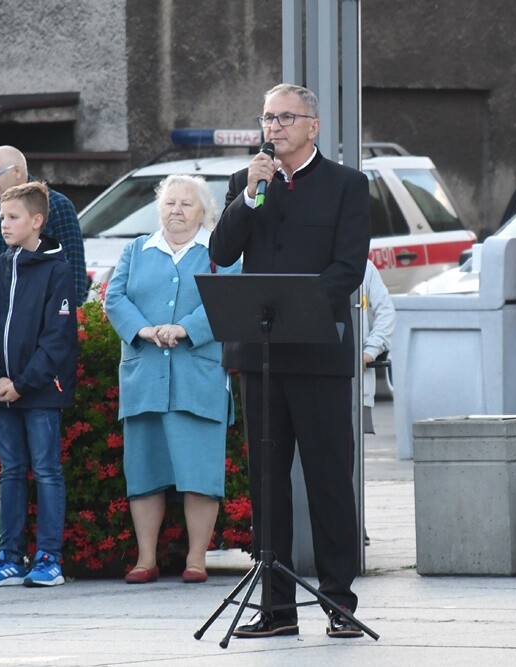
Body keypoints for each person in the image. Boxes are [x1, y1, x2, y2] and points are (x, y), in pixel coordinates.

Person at [209, 83, 371, 639]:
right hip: (261, 357)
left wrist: (297, 306)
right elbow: (222, 252)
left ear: (312, 126)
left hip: (319, 354)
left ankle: (340, 602)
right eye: (267, 118)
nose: (273, 127)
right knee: (267, 483)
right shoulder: (246, 182)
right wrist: (251, 195)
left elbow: (347, 269)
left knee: (329, 480)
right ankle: (276, 609)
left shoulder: (347, 185)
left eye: (285, 118)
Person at [105, 175, 241, 585]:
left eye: (186, 204)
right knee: (144, 471)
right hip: (144, 377)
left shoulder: (220, 253)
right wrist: (144, 330)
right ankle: (146, 559)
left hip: (198, 379)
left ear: (204, 212)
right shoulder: (136, 250)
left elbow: (229, 297)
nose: (176, 210)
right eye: (169, 203)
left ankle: (196, 559)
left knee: (200, 473)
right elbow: (115, 298)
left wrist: (184, 329)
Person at [0, 182, 78, 588]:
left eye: (12, 217)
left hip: (40, 393)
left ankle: (49, 558)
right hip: (0, 393)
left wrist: (23, 383)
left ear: (36, 221)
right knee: (11, 471)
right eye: (1, 217)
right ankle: (9, 558)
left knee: (46, 470)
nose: (4, 224)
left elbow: (57, 338)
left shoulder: (57, 270)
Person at [0, 146, 87, 304]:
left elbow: (74, 267)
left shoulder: (57, 205)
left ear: (17, 171)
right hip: (1, 307)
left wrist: (70, 311)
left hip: (46, 306)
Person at [361, 260, 394, 435]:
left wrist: (370, 351)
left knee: (351, 444)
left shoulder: (365, 268)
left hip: (359, 387)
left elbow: (386, 313)